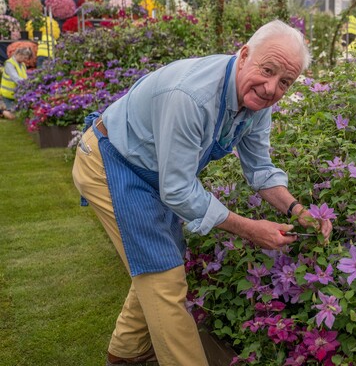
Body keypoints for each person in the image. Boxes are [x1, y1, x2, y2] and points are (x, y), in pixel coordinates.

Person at [72, 20, 332, 366]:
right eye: (267, 71)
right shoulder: (191, 97)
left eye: (285, 81)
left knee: (161, 263)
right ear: (243, 55)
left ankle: (125, 354)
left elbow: (260, 170)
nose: (271, 88)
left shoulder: (258, 102)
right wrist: (251, 229)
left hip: (155, 173)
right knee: (163, 278)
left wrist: (297, 210)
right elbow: (178, 190)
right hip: (111, 163)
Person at [1, 47, 33, 120]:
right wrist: (28, 83)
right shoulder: (9, 64)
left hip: (17, 94)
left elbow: (24, 77)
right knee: (13, 117)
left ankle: (5, 110)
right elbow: (15, 78)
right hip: (8, 94)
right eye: (24, 58)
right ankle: (2, 112)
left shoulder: (22, 64)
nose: (25, 60)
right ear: (19, 54)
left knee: (21, 115)